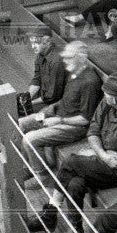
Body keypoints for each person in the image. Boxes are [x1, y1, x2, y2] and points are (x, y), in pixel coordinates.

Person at [25, 74, 117, 233]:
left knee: (71, 161)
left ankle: (51, 211)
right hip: (102, 160)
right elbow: (92, 131)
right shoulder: (106, 104)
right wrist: (102, 153)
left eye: (107, 93)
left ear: (116, 98)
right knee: (74, 185)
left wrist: (97, 152)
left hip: (116, 173)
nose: (104, 95)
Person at [19, 41, 102, 171]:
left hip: (74, 127)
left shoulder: (90, 82)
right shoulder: (73, 72)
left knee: (29, 139)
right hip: (58, 115)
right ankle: (27, 166)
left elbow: (85, 119)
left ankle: (41, 175)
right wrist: (50, 109)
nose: (65, 61)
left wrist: (58, 120)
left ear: (81, 58)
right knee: (22, 123)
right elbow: (67, 99)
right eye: (64, 57)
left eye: (69, 57)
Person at [24, 24, 67, 109]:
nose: (33, 47)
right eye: (32, 43)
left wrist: (31, 103)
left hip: (56, 103)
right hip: (44, 96)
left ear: (47, 42)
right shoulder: (40, 54)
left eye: (36, 43)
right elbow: (37, 79)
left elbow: (53, 96)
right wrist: (28, 97)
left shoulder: (57, 61)